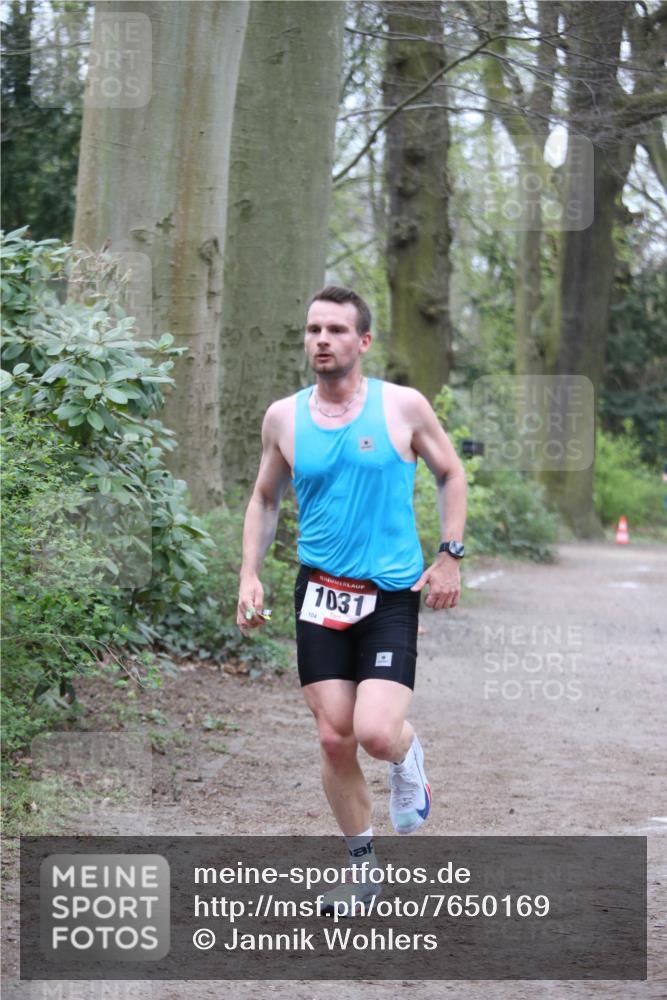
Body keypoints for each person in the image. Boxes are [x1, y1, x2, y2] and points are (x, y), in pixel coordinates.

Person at [236, 285, 466, 913]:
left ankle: (406, 752)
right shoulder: (283, 417)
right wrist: (249, 573)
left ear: (362, 342)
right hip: (319, 595)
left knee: (373, 731)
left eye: (336, 331)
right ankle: (363, 870)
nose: (322, 341)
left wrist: (450, 555)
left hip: (390, 594)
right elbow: (264, 497)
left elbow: (450, 472)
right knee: (334, 739)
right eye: (313, 330)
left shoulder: (403, 408)